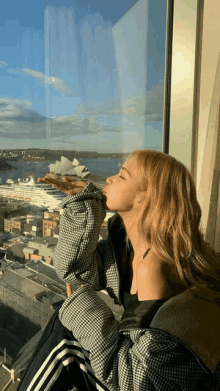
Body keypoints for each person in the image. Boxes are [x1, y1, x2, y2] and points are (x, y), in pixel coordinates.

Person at [17, 149, 220, 390]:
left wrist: (85, 313)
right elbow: (74, 269)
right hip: (137, 370)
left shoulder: (154, 270)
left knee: (66, 341)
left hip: (145, 381)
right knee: (64, 319)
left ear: (144, 198)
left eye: (122, 176)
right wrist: (84, 202)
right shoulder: (131, 246)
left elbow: (141, 381)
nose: (110, 179)